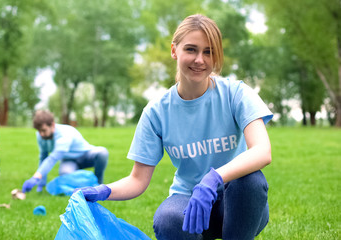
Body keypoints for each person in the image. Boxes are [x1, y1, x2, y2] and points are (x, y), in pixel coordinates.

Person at [78, 14, 273, 240]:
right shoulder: (156, 112)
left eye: (208, 52)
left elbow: (262, 151)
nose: (200, 59)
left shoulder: (236, 94)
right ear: (174, 51)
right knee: (167, 219)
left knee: (251, 181)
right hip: (188, 205)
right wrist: (103, 190)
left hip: (236, 207)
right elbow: (137, 180)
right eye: (191, 49)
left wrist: (213, 179)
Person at [21, 110, 109, 193]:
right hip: (69, 161)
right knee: (65, 174)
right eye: (39, 131)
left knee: (102, 153)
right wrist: (41, 183)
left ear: (52, 125)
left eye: (43, 130)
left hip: (85, 155)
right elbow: (43, 157)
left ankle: (99, 184)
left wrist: (35, 177)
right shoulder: (41, 135)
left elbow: (52, 159)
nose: (41, 134)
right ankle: (83, 188)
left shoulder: (64, 133)